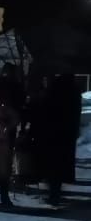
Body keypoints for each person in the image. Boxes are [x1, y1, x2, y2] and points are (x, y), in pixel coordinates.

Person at [36, 73, 81, 205]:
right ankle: (56, 191)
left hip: (52, 134)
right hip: (66, 134)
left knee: (53, 165)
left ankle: (54, 193)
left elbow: (44, 111)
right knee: (60, 165)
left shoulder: (53, 93)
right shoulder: (73, 92)